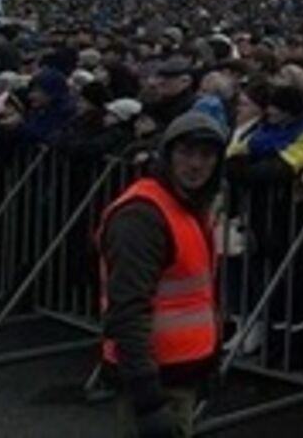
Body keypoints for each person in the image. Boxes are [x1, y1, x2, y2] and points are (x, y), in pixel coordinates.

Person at [98, 111, 226, 438]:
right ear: (167, 154)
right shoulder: (142, 215)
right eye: (186, 153)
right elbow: (127, 308)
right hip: (154, 378)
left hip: (179, 372)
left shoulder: (188, 206)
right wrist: (148, 399)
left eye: (206, 155)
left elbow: (197, 296)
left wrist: (208, 360)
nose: (196, 164)